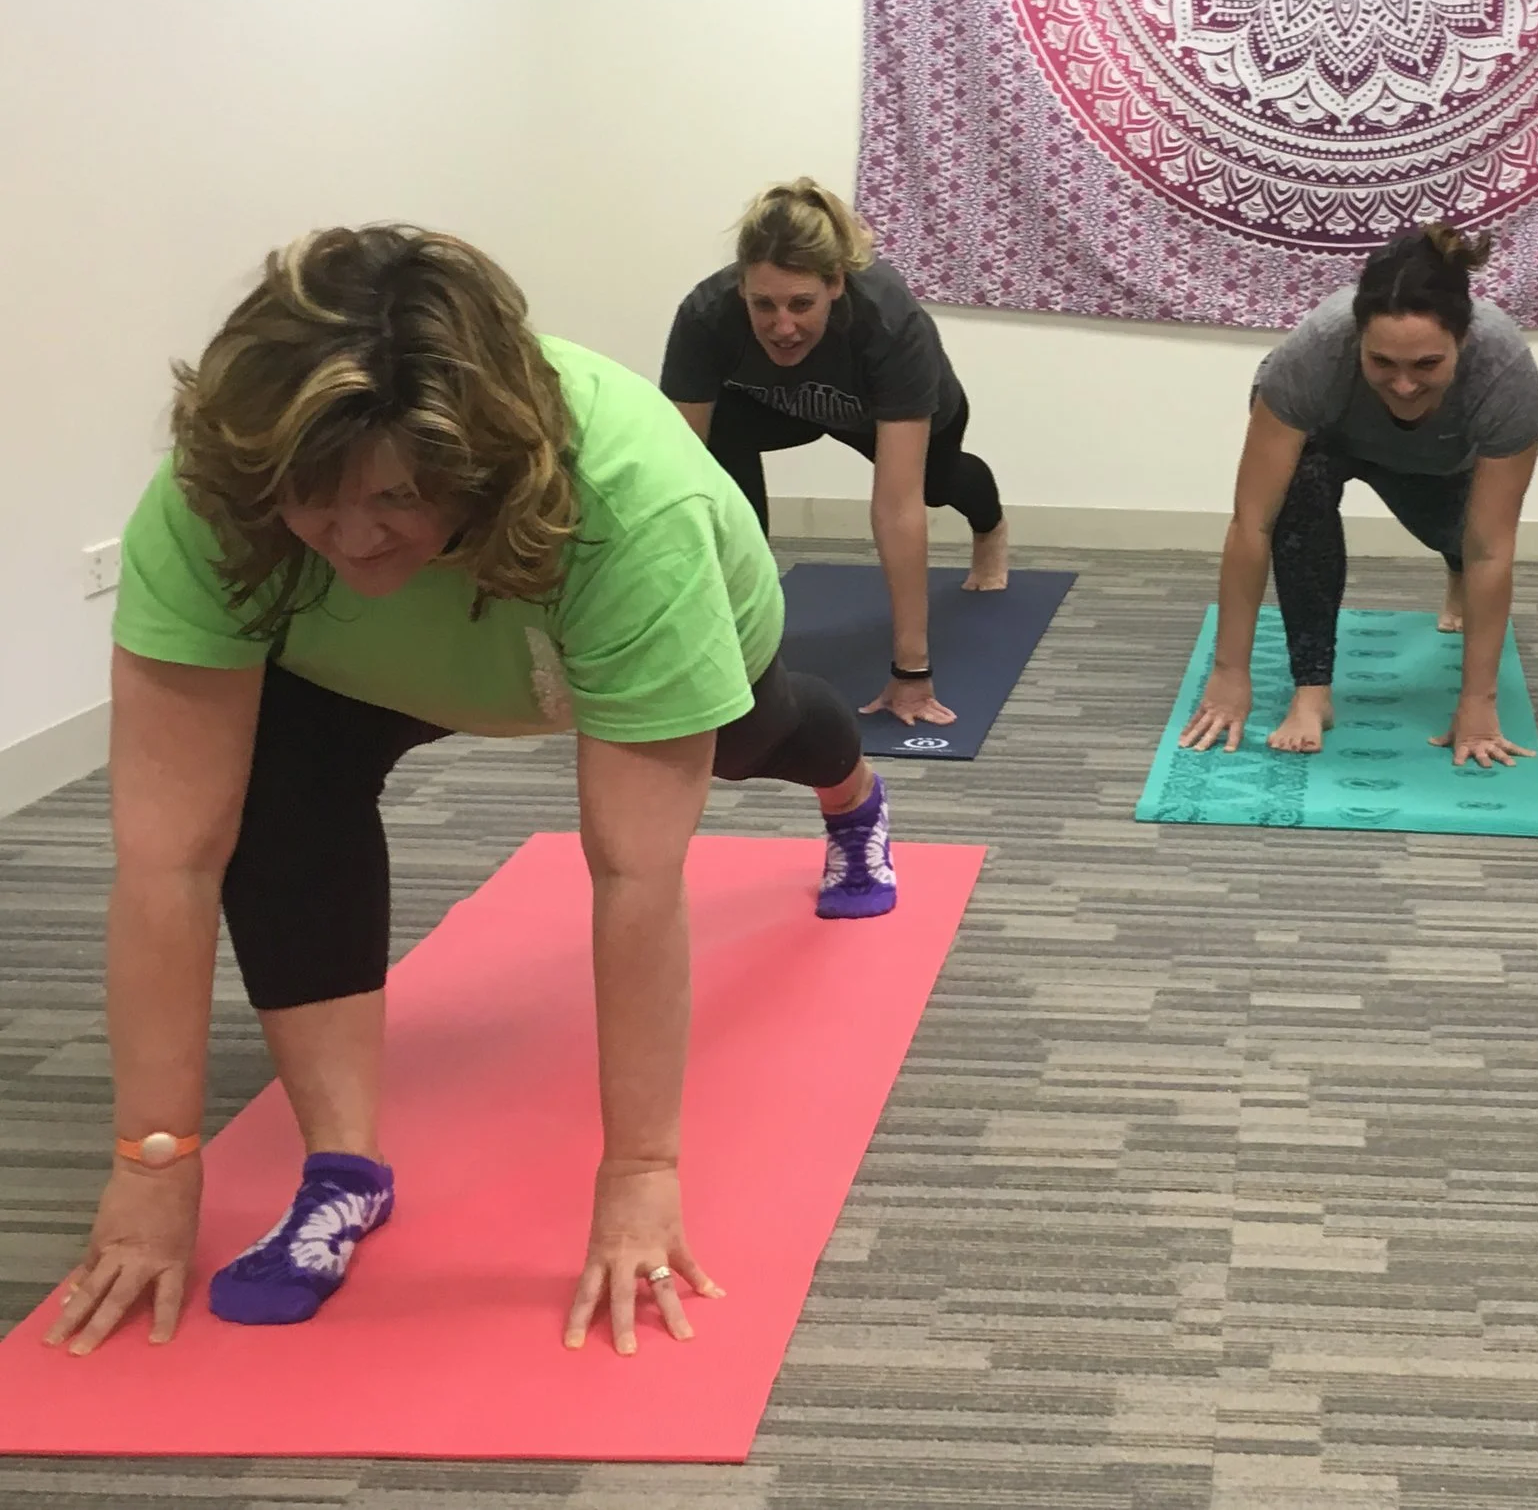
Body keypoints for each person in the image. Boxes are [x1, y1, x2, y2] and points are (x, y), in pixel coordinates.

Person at [46, 226, 900, 1360]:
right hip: (359, 661)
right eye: (313, 499)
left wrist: (640, 1172)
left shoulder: (631, 507)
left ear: (478, 459)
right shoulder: (220, 493)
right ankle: (343, 1167)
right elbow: (168, 857)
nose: (350, 534)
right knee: (275, 802)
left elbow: (633, 872)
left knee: (767, 736)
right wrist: (152, 1155)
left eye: (396, 495)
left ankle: (854, 798)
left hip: (615, 619)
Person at [1178, 224, 1538, 766]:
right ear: (1358, 342)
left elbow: (1493, 548)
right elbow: (1252, 523)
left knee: (1462, 540)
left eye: (1426, 365)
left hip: (1440, 453)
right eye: (1382, 363)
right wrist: (1230, 673)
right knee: (1299, 495)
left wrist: (1477, 704)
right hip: (1330, 435)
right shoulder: (1313, 356)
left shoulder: (1505, 373)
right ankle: (1312, 693)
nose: (1403, 385)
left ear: (1462, 342)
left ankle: (1453, 575)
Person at [663, 179, 1007, 733]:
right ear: (742, 290)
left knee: (941, 484)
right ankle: (744, 611)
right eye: (763, 305)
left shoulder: (888, 321)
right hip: (779, 406)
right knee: (715, 455)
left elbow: (897, 508)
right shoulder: (706, 316)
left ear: (836, 284)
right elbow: (675, 478)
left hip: (887, 412)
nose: (782, 325)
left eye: (802, 304)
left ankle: (991, 527)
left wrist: (911, 670)